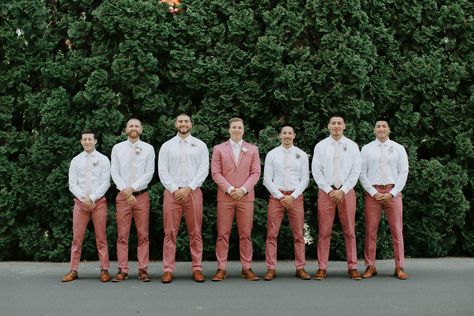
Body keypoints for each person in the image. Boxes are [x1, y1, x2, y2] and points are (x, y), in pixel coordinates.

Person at [158, 114, 209, 283]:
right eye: (180, 121)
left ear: (191, 124)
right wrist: (174, 189)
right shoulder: (167, 146)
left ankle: (197, 268)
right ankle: (168, 269)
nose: (183, 124)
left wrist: (188, 188)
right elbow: (162, 171)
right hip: (172, 193)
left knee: (195, 231)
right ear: (175, 124)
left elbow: (203, 170)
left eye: (186, 121)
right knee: (170, 232)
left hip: (193, 192)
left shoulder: (200, 145)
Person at [311, 116, 362, 280]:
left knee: (349, 231)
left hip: (347, 192)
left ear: (344, 126)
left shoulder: (352, 146)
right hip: (326, 192)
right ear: (328, 126)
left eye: (339, 123)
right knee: (324, 232)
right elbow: (316, 171)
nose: (336, 126)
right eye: (333, 123)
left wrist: (344, 189)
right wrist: (328, 190)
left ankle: (353, 267)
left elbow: (356, 171)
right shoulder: (321, 146)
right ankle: (322, 267)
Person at [211, 117, 261, 281]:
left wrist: (243, 189)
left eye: (239, 127)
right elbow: (216, 173)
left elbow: (255, 173)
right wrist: (231, 189)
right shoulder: (219, 149)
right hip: (226, 197)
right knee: (223, 234)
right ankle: (221, 268)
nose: (236, 130)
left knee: (245, 234)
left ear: (243, 130)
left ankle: (246, 267)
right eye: (234, 127)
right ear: (229, 130)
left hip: (245, 197)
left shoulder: (252, 149)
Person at [359, 120, 409, 280]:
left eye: (384, 126)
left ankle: (399, 266)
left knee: (397, 231)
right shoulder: (366, 149)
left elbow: (403, 172)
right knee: (370, 231)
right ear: (374, 130)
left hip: (392, 192)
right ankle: (370, 266)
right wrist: (373, 192)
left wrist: (393, 193)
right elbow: (362, 173)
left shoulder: (399, 148)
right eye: (378, 126)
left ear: (389, 129)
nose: (381, 129)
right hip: (373, 193)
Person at [62, 129, 111, 282]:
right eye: (84, 139)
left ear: (95, 141)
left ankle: (104, 270)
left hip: (99, 203)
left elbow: (105, 182)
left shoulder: (103, 159)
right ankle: (73, 270)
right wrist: (84, 199)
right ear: (81, 141)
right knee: (77, 238)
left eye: (90, 139)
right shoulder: (76, 160)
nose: (87, 142)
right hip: (80, 203)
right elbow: (72, 184)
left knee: (101, 237)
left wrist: (92, 198)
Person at [262, 125, 311, 281]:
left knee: (298, 235)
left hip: (295, 197)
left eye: (290, 133)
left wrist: (293, 196)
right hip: (277, 197)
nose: (287, 135)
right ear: (280, 136)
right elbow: (266, 179)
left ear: (294, 135)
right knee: (271, 234)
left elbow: (305, 179)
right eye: (284, 133)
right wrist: (280, 196)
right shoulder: (272, 154)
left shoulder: (301, 155)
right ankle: (271, 268)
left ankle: (300, 267)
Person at [110, 118, 155, 282]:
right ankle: (122, 269)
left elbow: (149, 173)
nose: (134, 128)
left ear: (141, 130)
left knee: (143, 234)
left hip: (141, 196)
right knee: (122, 234)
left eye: (137, 125)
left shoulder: (149, 149)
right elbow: (114, 172)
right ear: (126, 129)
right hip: (122, 197)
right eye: (131, 126)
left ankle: (143, 269)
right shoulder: (117, 148)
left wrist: (133, 188)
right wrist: (125, 191)